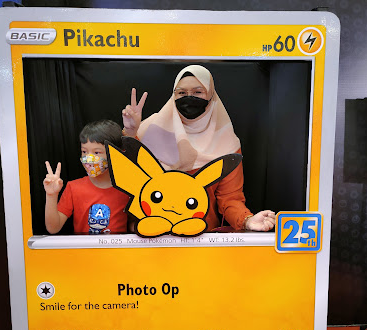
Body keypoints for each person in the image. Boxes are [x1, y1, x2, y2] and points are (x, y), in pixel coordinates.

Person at [122, 65, 275, 232]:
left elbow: (230, 198)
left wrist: (247, 220)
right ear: (174, 95)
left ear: (210, 95)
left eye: (198, 92)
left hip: (201, 236)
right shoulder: (151, 129)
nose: (189, 97)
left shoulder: (227, 143)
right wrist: (131, 132)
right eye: (182, 93)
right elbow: (129, 174)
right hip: (151, 232)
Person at [44, 120, 129, 234]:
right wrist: (51, 195)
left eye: (97, 153)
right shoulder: (73, 187)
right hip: (83, 246)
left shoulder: (126, 188)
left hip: (119, 246)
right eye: (84, 151)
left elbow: (135, 224)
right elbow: (53, 228)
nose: (88, 158)